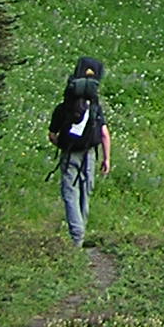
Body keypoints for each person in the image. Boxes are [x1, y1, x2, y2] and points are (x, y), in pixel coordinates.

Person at [47, 56, 111, 248]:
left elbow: (52, 135)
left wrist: (64, 144)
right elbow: (104, 134)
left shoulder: (63, 107)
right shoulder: (95, 107)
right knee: (85, 191)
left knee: (70, 193)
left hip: (69, 153)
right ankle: (80, 231)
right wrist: (106, 158)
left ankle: (77, 236)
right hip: (89, 153)